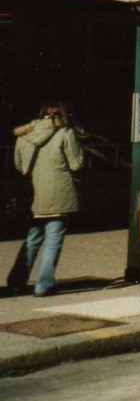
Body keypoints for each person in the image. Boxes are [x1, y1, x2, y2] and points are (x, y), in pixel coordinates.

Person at [6, 101, 85, 297]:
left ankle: (16, 282)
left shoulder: (25, 134)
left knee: (32, 238)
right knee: (53, 238)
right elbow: (76, 164)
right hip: (58, 193)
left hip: (33, 195)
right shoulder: (66, 133)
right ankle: (43, 285)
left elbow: (18, 164)